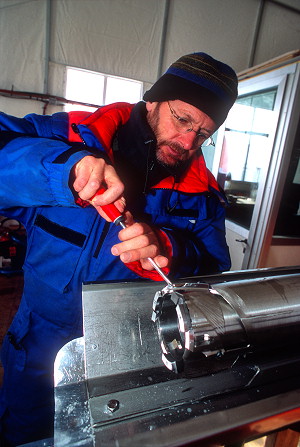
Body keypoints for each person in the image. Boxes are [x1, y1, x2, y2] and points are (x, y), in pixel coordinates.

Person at [0, 52, 238, 445]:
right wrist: (64, 169)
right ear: (154, 100)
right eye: (181, 119)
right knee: (25, 435)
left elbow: (214, 271)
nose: (187, 142)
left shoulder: (204, 196)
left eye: (202, 134)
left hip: (132, 358)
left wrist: (171, 248)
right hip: (40, 347)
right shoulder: (65, 135)